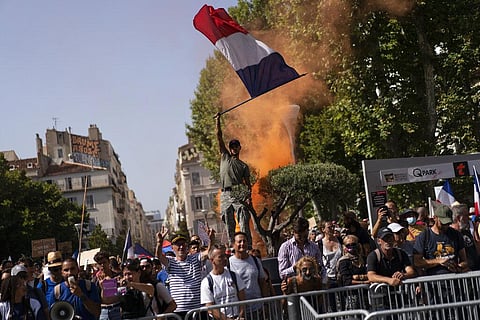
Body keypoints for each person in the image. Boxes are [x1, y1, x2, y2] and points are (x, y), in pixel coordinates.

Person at [155, 227, 214, 319]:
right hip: (178, 313)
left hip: (197, 311)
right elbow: (159, 256)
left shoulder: (195, 258)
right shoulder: (170, 262)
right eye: (178, 244)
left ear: (187, 246)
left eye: (183, 244)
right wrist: (159, 243)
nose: (181, 247)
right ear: (172, 248)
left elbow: (209, 252)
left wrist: (211, 239)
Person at [215, 112, 252, 247]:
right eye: (232, 146)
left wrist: (249, 197)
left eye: (236, 146)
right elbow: (218, 137)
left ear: (239, 148)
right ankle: (232, 246)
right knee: (228, 221)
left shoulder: (243, 166)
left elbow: (248, 184)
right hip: (225, 193)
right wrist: (217, 121)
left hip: (238, 193)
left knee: (243, 220)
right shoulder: (225, 157)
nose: (233, 148)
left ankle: (247, 245)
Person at [413, 204, 469, 275]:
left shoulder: (456, 234)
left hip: (454, 280)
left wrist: (459, 267)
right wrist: (438, 261)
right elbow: (417, 262)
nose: (445, 226)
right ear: (435, 218)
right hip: (433, 282)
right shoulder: (425, 236)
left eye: (448, 223)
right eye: (443, 223)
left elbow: (464, 261)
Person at [228, 232, 268, 318]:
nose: (242, 244)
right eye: (239, 242)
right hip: (239, 311)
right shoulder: (228, 263)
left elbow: (262, 282)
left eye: (244, 241)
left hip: (257, 308)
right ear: (233, 244)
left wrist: (266, 304)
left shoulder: (256, 261)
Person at [201, 244, 245, 320]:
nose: (225, 259)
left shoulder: (234, 275)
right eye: (220, 257)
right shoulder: (207, 282)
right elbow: (210, 307)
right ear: (212, 260)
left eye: (225, 255)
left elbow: (242, 298)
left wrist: (240, 315)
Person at [278, 217, 326, 284]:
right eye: (299, 236)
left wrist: (318, 268)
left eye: (305, 235)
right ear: (294, 232)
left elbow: (322, 268)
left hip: (313, 287)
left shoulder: (314, 247)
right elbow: (282, 274)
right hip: (296, 288)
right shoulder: (285, 247)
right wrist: (295, 268)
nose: (303, 238)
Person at [93, 251, 121, 320]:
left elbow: (120, 293)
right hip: (103, 311)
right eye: (100, 263)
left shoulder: (118, 276)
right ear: (97, 265)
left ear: (108, 262)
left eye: (104, 262)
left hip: (116, 309)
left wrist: (111, 283)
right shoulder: (95, 280)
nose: (102, 265)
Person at [321, 221, 343, 289]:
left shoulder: (340, 240)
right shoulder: (320, 244)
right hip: (327, 278)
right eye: (329, 227)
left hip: (340, 276)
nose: (332, 229)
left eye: (333, 227)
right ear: (323, 229)